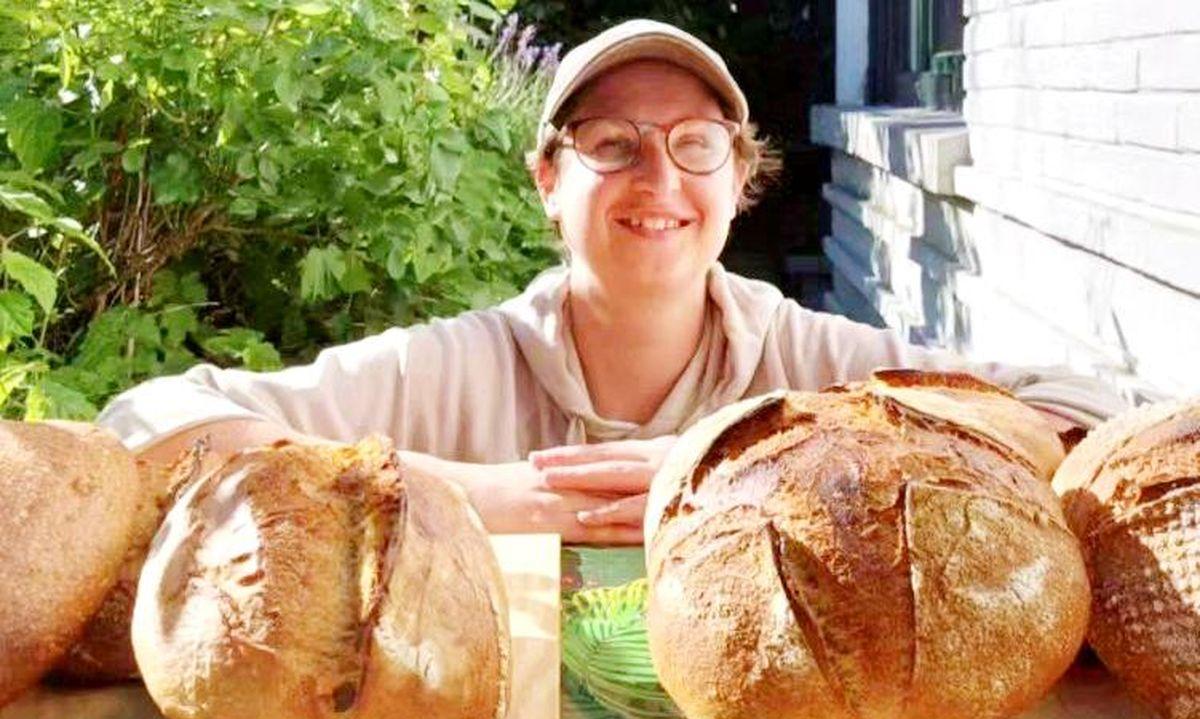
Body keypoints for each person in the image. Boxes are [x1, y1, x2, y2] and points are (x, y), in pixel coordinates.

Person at [98, 19, 1126, 545]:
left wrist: (743, 474)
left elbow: (1086, 418)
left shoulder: (813, 361)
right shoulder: (454, 368)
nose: (659, 178)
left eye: (694, 144)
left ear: (738, 179)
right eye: (612, 145)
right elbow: (148, 423)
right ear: (549, 180)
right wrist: (485, 497)